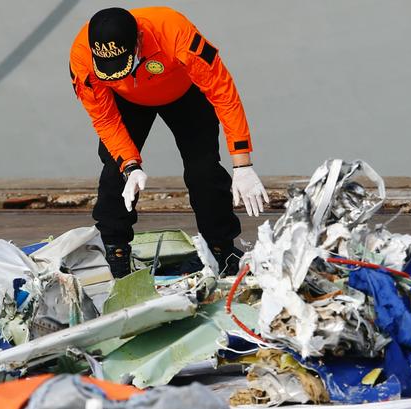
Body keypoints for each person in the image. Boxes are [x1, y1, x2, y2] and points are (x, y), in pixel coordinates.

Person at [69, 6, 268, 277]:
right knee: (116, 174)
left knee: (204, 169)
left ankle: (221, 250)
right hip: (127, 100)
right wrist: (130, 164)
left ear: (138, 40)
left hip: (184, 91)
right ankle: (116, 253)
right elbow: (104, 119)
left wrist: (242, 163)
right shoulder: (82, 57)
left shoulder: (174, 33)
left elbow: (223, 93)